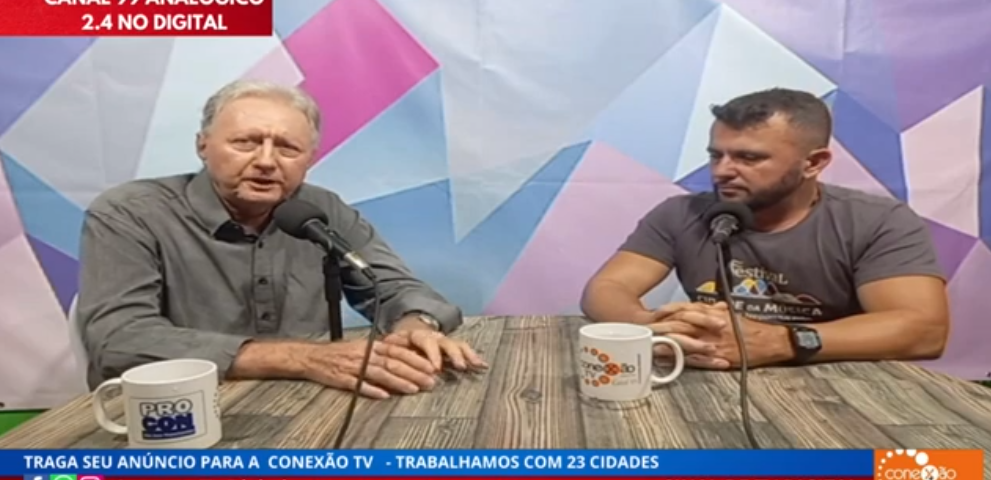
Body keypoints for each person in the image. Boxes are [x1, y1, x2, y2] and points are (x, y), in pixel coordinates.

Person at [77, 80, 487, 399]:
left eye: (288, 149)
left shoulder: (322, 209)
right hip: (174, 411)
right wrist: (303, 358)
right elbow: (120, 339)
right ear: (203, 145)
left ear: (310, 160)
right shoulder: (130, 213)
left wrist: (414, 325)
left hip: (305, 403)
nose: (266, 161)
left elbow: (393, 287)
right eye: (246, 142)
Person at [580, 88, 949, 370]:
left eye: (749, 157)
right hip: (710, 375)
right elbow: (607, 287)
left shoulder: (878, 221)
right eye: (716, 155)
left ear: (813, 163)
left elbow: (925, 331)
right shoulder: (681, 214)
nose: (722, 171)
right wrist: (647, 326)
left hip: (839, 386)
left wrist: (780, 341)